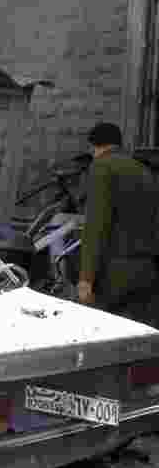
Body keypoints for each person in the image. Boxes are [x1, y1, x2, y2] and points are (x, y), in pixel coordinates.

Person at [78, 122, 159, 327]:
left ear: (95, 146)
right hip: (147, 269)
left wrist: (86, 278)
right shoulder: (144, 170)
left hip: (114, 271)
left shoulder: (102, 167)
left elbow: (96, 225)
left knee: (104, 336)